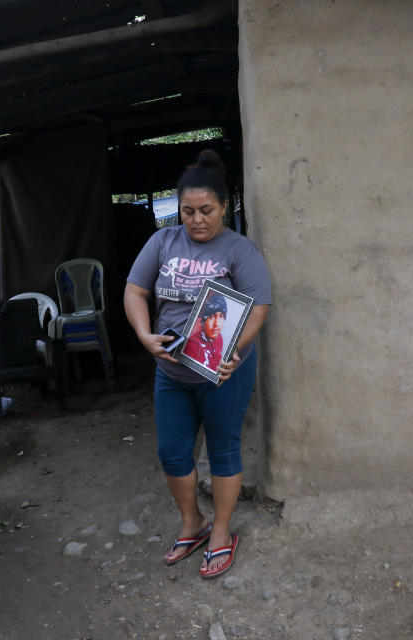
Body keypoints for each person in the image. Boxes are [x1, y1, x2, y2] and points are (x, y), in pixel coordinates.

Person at [124, 149, 272, 578]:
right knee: (172, 452)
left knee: (224, 449)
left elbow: (259, 308)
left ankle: (222, 531)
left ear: (224, 207)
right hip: (171, 372)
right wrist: (142, 334)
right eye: (187, 211)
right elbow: (135, 291)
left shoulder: (241, 251)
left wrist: (232, 351)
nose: (197, 219)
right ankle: (193, 523)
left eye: (206, 210)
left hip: (225, 371)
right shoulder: (163, 241)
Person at [182, 292, 228, 371]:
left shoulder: (218, 338)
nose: (216, 324)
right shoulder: (194, 344)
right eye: (212, 317)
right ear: (203, 320)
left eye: (221, 316)